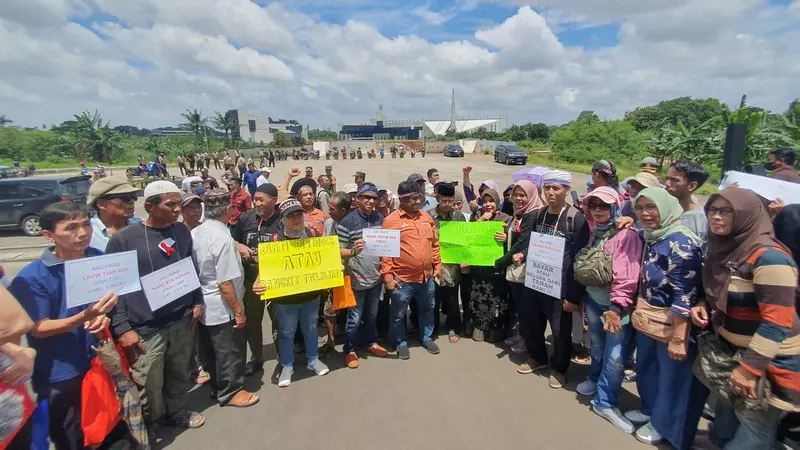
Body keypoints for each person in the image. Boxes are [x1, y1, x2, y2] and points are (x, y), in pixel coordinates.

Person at [690, 189, 799, 449]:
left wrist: (749, 369)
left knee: (755, 424)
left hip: (768, 360)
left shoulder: (770, 258)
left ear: (747, 215)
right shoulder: (725, 248)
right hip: (730, 350)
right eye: (712, 210)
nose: (717, 217)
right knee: (728, 407)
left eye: (727, 211)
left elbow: (777, 322)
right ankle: (718, 440)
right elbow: (719, 288)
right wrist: (702, 304)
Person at [9, 202, 118, 450]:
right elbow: (37, 328)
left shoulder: (98, 259)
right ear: (48, 235)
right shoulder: (31, 277)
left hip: (98, 361)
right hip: (60, 372)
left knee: (104, 422)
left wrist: (104, 314)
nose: (82, 233)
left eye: (85, 225)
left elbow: (107, 301)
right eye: (71, 228)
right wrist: (84, 317)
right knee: (70, 434)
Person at [105, 180, 206, 429]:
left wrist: (197, 300)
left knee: (179, 371)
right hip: (145, 327)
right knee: (148, 380)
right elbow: (115, 289)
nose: (176, 209)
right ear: (150, 206)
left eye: (178, 204)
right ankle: (152, 423)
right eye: (170, 204)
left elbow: (189, 266)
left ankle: (177, 411)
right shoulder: (123, 240)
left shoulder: (181, 231)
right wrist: (122, 328)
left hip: (182, 319)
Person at [624, 187, 705, 448]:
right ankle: (649, 410)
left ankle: (663, 425)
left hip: (672, 323)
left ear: (666, 207)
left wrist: (679, 339)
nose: (645, 214)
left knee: (671, 377)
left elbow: (685, 296)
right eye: (640, 208)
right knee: (648, 370)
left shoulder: (681, 242)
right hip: (649, 318)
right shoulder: (652, 235)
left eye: (651, 207)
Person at [573, 186, 643, 433]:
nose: (598, 210)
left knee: (616, 357)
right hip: (593, 300)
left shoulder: (627, 236)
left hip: (616, 308)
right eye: (594, 205)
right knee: (598, 347)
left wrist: (616, 307)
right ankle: (594, 379)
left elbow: (628, 276)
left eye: (604, 205)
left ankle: (604, 403)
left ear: (615, 207)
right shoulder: (596, 231)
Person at [520, 170, 590, 389]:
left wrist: (573, 295)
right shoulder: (540, 214)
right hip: (537, 281)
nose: (550, 192)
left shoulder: (575, 219)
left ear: (567, 191)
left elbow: (579, 259)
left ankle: (560, 369)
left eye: (556, 188)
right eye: (547, 188)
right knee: (532, 324)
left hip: (561, 287)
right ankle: (538, 358)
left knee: (560, 331)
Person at [191, 190, 259, 408]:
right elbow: (225, 283)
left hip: (205, 302)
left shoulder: (197, 232)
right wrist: (239, 311)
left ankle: (218, 387)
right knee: (229, 350)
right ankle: (231, 392)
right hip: (222, 306)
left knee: (211, 350)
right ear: (229, 211)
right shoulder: (222, 239)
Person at [252, 200, 330, 387]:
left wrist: (333, 267)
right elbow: (266, 267)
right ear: (283, 219)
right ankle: (287, 365)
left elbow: (324, 257)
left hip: (311, 295)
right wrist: (258, 281)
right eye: (291, 216)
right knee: (287, 332)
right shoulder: (275, 241)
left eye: (298, 215)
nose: (296, 219)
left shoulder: (312, 235)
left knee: (311, 329)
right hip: (285, 299)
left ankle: (313, 359)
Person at [381, 181, 442, 359]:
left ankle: (426, 337)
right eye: (413, 199)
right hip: (402, 279)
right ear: (403, 200)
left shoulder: (426, 218)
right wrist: (388, 278)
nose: (417, 202)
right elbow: (386, 254)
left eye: (419, 198)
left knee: (427, 308)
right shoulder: (391, 221)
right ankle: (400, 342)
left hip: (426, 278)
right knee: (399, 313)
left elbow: (435, 244)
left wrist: (437, 265)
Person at [232, 183, 281, 377]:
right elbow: (232, 240)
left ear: (274, 200)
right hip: (250, 280)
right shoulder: (245, 218)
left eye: (262, 199)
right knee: (253, 321)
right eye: (256, 199)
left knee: (279, 320)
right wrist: (239, 247)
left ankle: (283, 356)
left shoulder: (282, 220)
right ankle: (256, 358)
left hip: (276, 279)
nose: (257, 203)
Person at [337, 185, 389, 368]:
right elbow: (338, 251)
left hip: (375, 278)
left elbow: (386, 246)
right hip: (356, 280)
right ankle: (350, 349)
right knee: (354, 318)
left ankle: (370, 343)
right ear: (357, 199)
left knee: (372, 314)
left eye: (373, 198)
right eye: (366, 197)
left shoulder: (380, 218)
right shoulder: (346, 223)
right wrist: (353, 251)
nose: (370, 201)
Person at [494, 180, 544, 351]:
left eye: (523, 195)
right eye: (516, 195)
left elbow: (523, 243)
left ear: (531, 196)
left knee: (527, 308)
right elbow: (519, 237)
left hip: (526, 269)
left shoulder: (532, 214)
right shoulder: (520, 213)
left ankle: (528, 341)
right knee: (520, 306)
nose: (518, 198)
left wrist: (500, 263)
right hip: (516, 266)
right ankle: (522, 335)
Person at [467, 188, 511, 342]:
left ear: (497, 202)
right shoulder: (476, 217)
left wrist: (507, 238)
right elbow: (467, 238)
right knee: (479, 298)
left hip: (496, 270)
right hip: (478, 269)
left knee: (497, 299)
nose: (488, 204)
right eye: (484, 201)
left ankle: (495, 330)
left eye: (491, 201)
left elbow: (514, 244)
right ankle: (479, 327)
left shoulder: (506, 218)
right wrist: (480, 222)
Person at [428, 182, 466, 342]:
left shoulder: (459, 217)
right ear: (437, 198)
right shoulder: (428, 216)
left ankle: (453, 327)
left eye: (450, 201)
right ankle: (433, 328)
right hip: (434, 264)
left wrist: (464, 259)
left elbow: (465, 241)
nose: (447, 204)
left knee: (452, 298)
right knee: (433, 299)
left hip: (452, 266)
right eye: (444, 200)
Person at [87, 177, 142, 251]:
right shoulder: (87, 232)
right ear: (102, 204)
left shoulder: (142, 225)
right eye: (125, 198)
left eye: (134, 196)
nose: (132, 201)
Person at [665, 160, 710, 244]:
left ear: (692, 186)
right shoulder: (658, 211)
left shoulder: (702, 221)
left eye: (674, 180)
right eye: (667, 178)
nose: (667, 183)